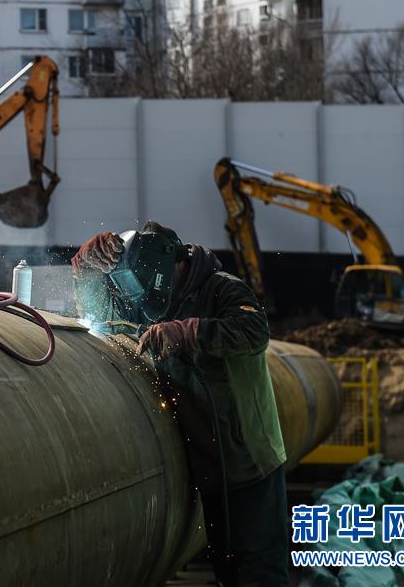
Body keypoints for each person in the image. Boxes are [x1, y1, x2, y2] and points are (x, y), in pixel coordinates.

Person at [71, 221, 289, 587]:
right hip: (209, 464)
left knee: (259, 574)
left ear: (171, 262)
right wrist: (86, 269)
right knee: (229, 571)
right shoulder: (155, 300)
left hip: (250, 462)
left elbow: (255, 332)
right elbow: (103, 316)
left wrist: (187, 332)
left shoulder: (223, 289)